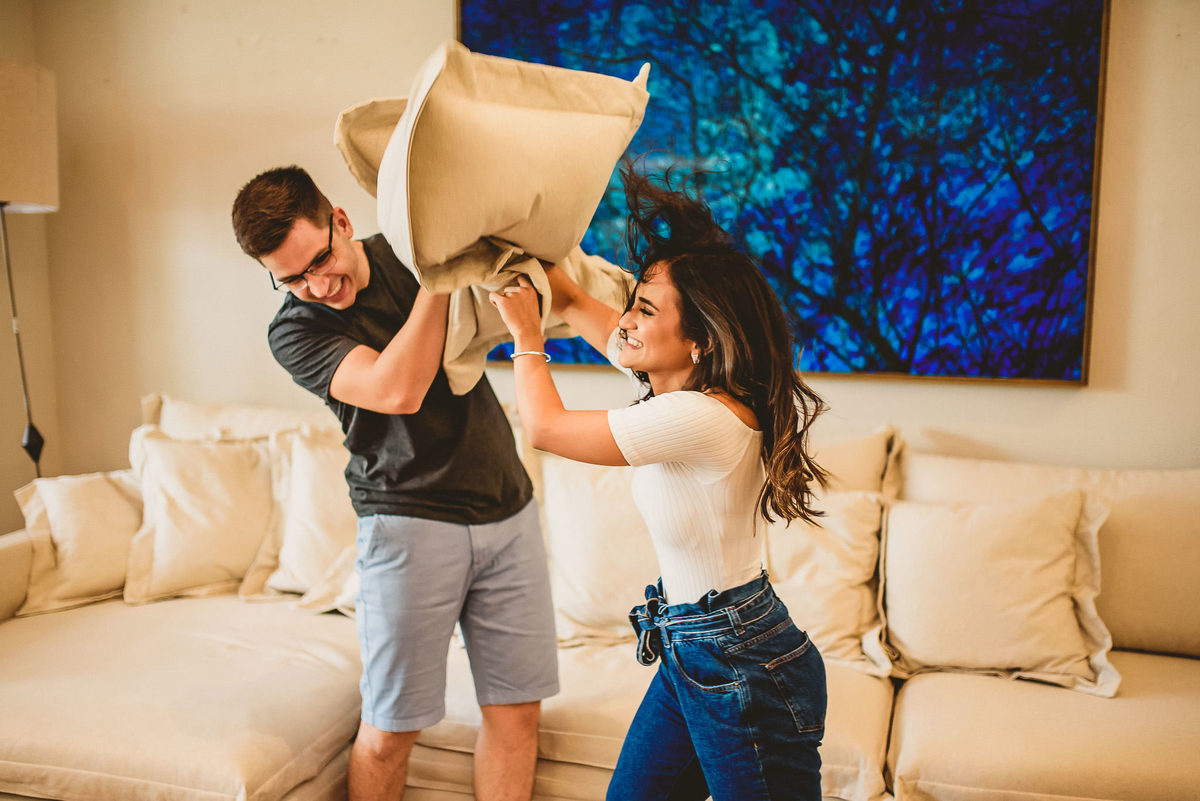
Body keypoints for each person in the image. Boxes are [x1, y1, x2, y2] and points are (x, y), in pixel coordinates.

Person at [489, 163, 829, 800]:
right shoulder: (679, 391)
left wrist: (527, 339)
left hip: (741, 662)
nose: (626, 321)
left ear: (700, 339)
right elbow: (577, 304)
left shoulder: (700, 417)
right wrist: (526, 255)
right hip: (693, 648)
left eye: (645, 310)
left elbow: (545, 428)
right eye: (632, 305)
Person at [230, 166, 558, 801]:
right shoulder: (295, 330)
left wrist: (440, 259)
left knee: (517, 715)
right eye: (291, 278)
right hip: (407, 524)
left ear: (341, 221)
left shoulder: (410, 252)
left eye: (320, 260)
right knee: (390, 731)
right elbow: (396, 390)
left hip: (508, 507)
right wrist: (440, 277)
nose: (317, 286)